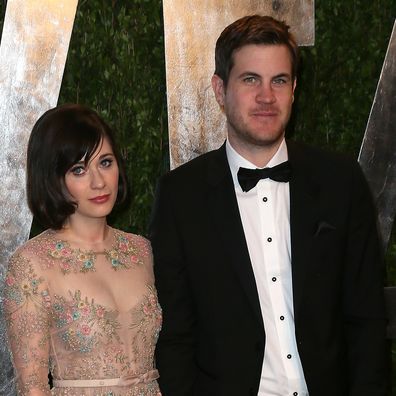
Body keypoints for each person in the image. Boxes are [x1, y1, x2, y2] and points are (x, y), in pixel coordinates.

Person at [149, 15, 388, 396]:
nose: (266, 97)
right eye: (250, 80)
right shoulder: (182, 197)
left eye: (279, 80)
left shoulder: (340, 181)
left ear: (294, 89)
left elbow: (366, 318)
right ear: (219, 89)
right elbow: (174, 334)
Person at [3, 104, 162, 396]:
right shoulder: (31, 264)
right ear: (53, 178)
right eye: (79, 169)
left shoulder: (142, 251)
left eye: (105, 162)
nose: (99, 182)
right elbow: (32, 387)